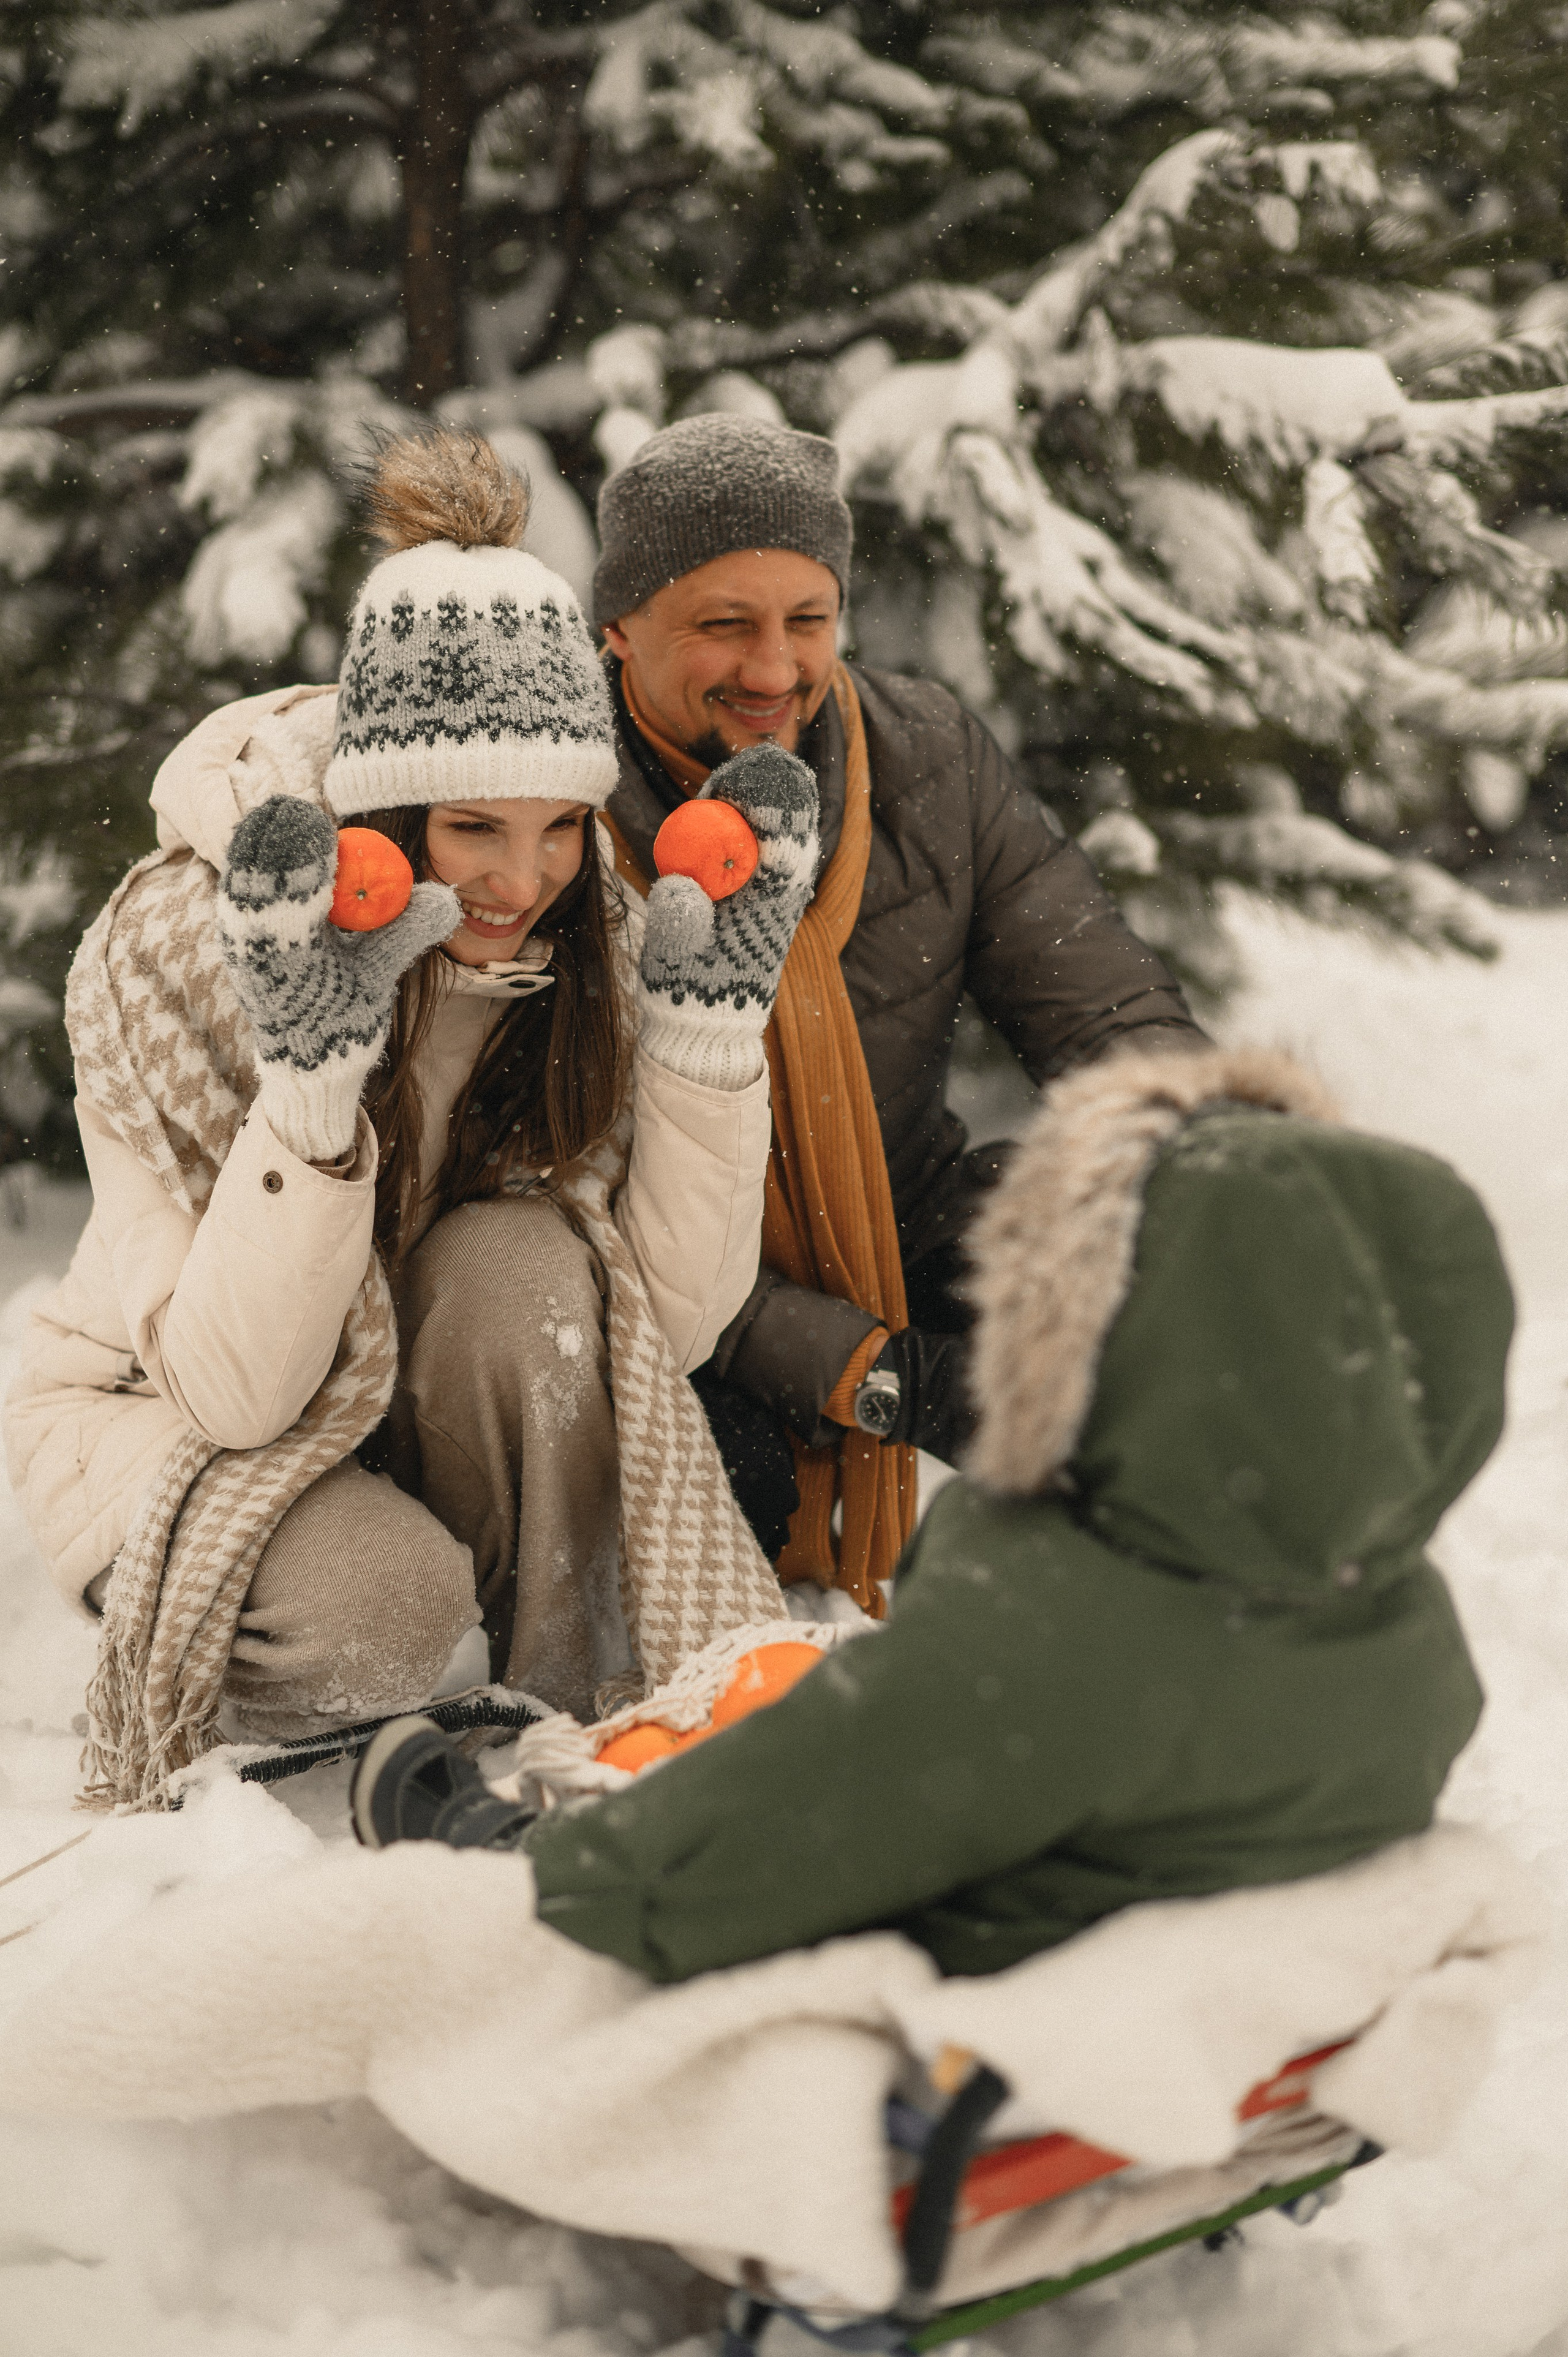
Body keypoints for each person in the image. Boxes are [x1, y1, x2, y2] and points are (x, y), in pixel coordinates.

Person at [4, 428, 813, 1807]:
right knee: (382, 1612)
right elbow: (236, 1395)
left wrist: (705, 1039)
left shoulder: (591, 946)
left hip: (400, 1405)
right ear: (382, 821)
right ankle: (339, 1636)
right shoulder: (194, 958)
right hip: (166, 1412)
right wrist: (311, 1091)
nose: (523, 880)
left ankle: (578, 1710)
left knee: (528, 1262)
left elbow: (660, 1333)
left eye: (559, 827)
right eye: (473, 829)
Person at [350, 1044, 1509, 1985]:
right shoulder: (1417, 1649)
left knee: (800, 1743)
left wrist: (556, 1875)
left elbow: (786, 1826)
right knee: (792, 1685)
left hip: (942, 1961)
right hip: (1123, 1904)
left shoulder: (1044, 1636)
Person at [589, 411, 1205, 1609]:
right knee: (725, 1493)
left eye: (807, 619)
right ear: (618, 627)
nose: (774, 670)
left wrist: (1207, 1162)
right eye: (724, 624)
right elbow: (581, 1211)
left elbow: (1100, 1002)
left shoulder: (924, 757)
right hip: (653, 1291)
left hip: (896, 1222)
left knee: (1157, 1287)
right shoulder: (544, 819)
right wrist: (880, 1376)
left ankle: (1162, 1641)